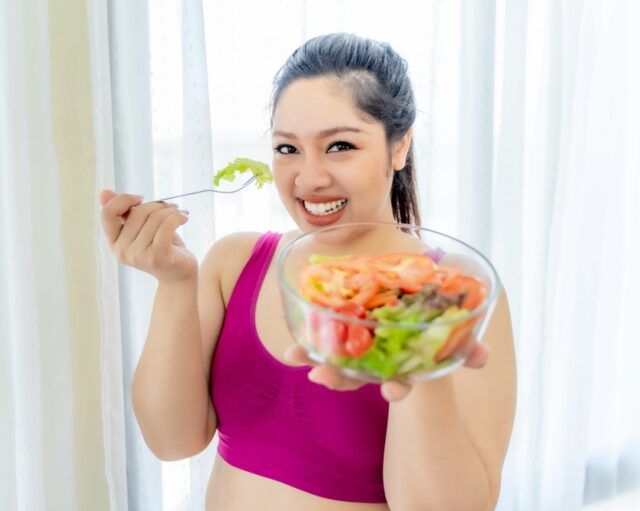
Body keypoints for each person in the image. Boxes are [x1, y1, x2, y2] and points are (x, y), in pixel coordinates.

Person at [98, 32, 516, 511]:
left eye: (339, 146)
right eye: (287, 149)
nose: (310, 178)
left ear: (399, 147)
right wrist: (174, 282)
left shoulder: (448, 289)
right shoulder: (233, 264)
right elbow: (171, 442)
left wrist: (417, 370)